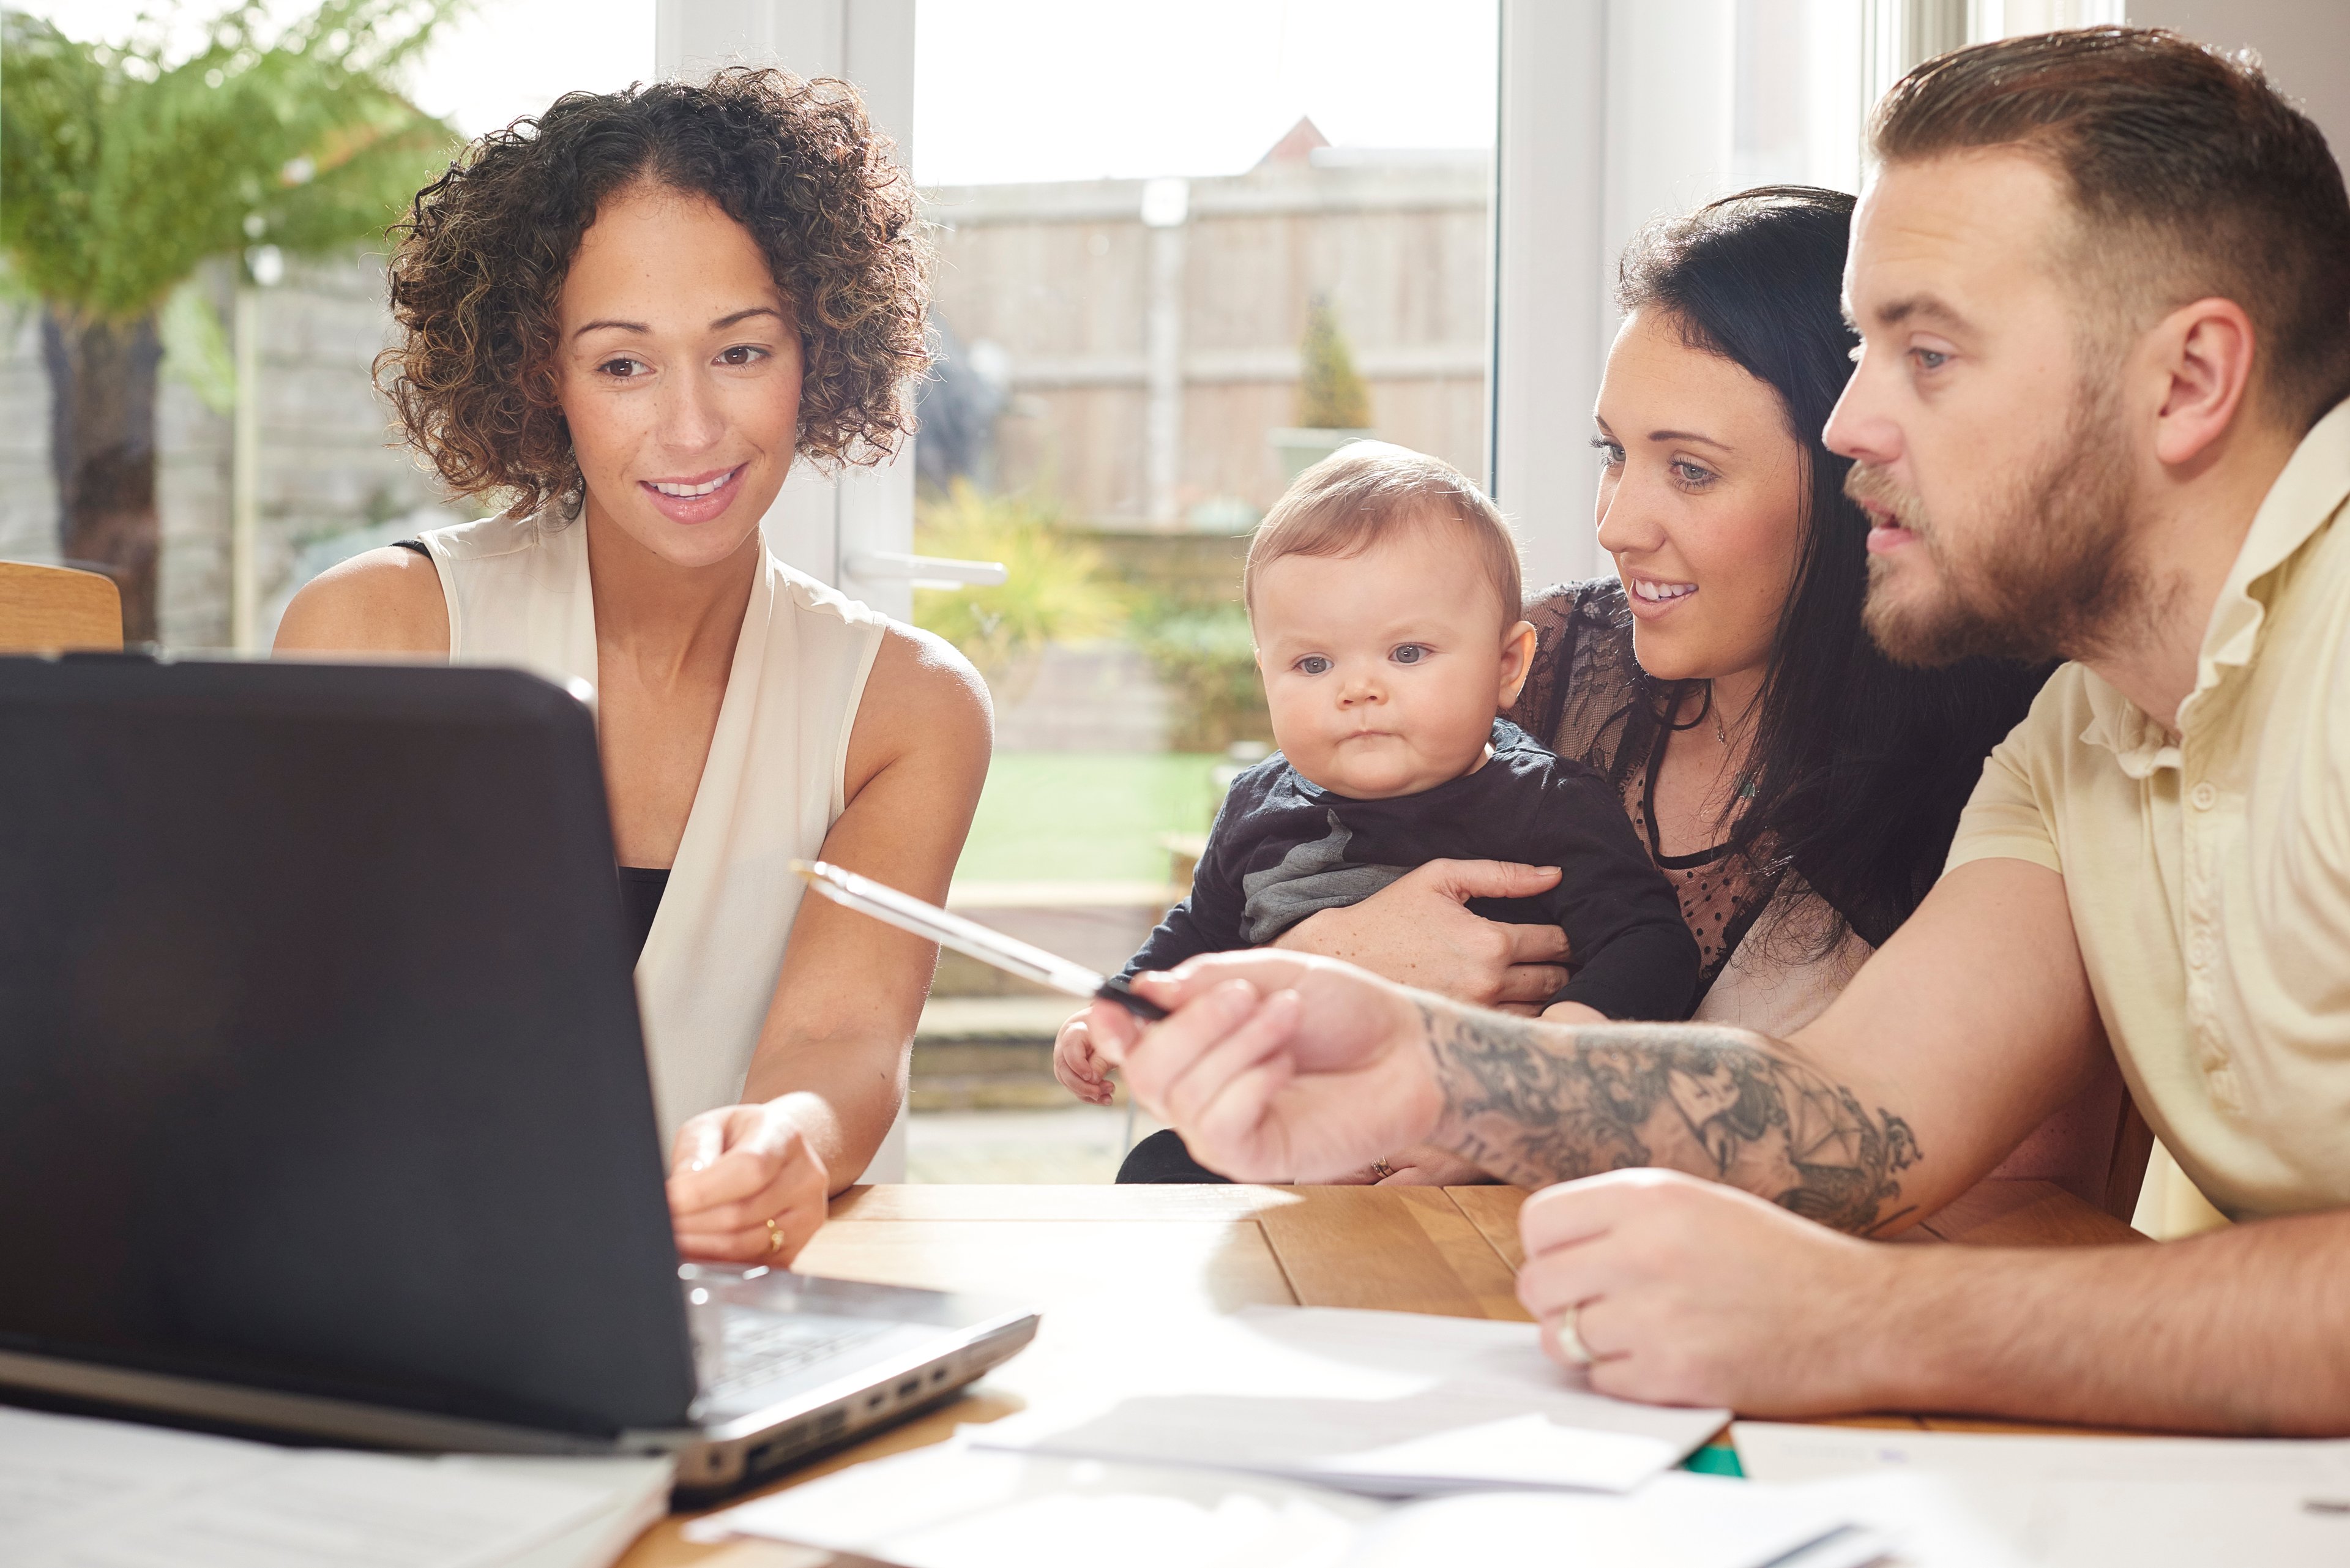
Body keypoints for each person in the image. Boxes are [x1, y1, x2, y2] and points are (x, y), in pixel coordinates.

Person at [1088, 26, 2350, 1434]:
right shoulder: (2082, 730)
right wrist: (1431, 1074)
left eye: (1924, 353)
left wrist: (1859, 1321)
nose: (1851, 421)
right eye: (1865, 350)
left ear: (2184, 383)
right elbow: (1863, 1109)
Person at [275, 72, 989, 1267]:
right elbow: (294, 1036)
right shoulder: (380, 632)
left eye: (741, 350)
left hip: (723, 1308)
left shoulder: (908, 711)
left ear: (820, 350)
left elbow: (846, 1039)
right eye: (622, 365)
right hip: (400, 1279)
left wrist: (788, 1145)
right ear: (538, 376)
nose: (693, 427)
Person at [1239, 190, 2065, 1189]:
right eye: (1614, 455)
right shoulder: (1523, 668)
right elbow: (1260, 886)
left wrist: (1508, 1121)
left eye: (1690, 469)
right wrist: (1333, 950)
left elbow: (2008, 1202)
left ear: (1860, 485)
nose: (1619, 522)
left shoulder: (2012, 778)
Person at [1053, 447, 1699, 1179]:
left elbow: (1653, 947)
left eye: (1409, 652)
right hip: (1286, 1140)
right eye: (1314, 665)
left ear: (1506, 666)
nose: (1359, 689)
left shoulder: (1549, 805)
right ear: (1264, 672)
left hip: (1466, 1141)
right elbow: (1198, 935)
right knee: (1155, 1172)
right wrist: (1117, 1012)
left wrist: (1545, 1067)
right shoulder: (1257, 806)